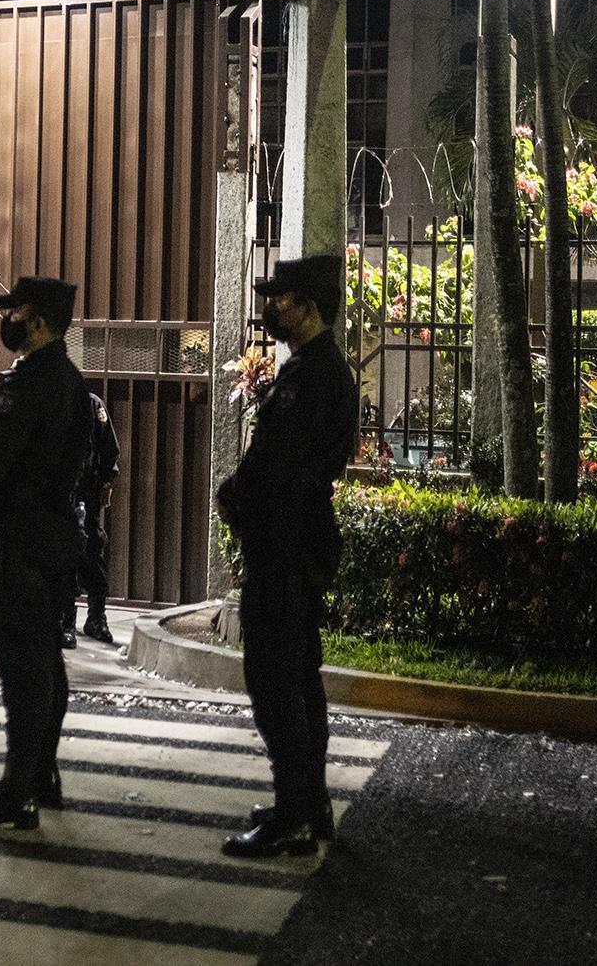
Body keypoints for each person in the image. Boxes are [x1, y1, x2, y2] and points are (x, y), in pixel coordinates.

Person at [213, 253, 356, 858]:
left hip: (285, 544)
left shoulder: (310, 378)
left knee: (274, 680)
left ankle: (295, 810)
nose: (272, 306)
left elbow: (276, 465)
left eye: (282, 297)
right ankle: (308, 803)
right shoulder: (320, 370)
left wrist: (233, 498)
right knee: (299, 678)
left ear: (308, 305)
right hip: (298, 540)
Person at [0, 276, 93, 830]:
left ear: (34, 320)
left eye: (15, 313)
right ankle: (41, 774)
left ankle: (18, 789)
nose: (5, 321)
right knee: (46, 664)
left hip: (16, 540)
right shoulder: (73, 383)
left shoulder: (27, 385)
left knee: (22, 668)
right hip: (54, 538)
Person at [66, 390, 121, 646]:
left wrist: (107, 481)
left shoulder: (90, 403)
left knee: (91, 551)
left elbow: (109, 446)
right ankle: (65, 620)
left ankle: (96, 618)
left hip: (85, 490)